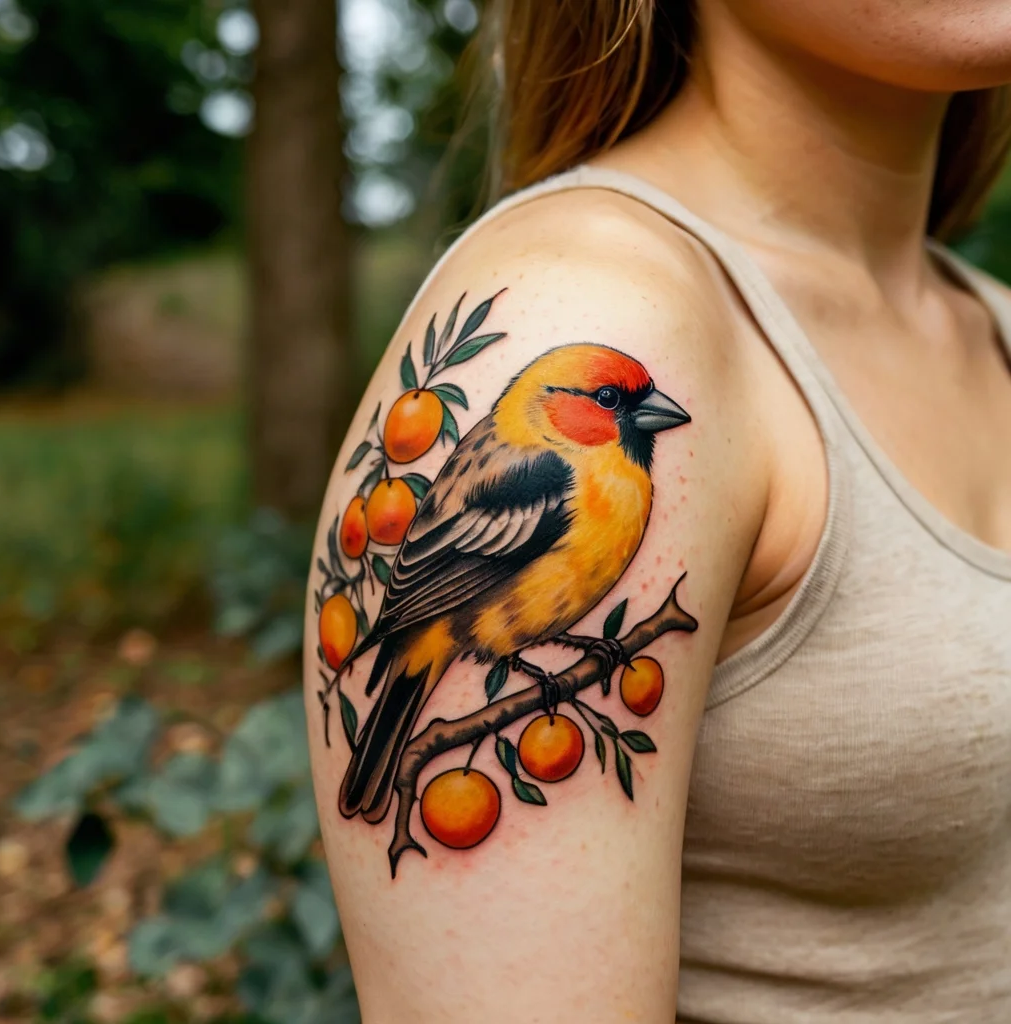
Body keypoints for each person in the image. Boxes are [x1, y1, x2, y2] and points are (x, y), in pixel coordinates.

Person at [304, 1, 1011, 1020]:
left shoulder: (985, 318)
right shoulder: (585, 302)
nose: (645, 413)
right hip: (458, 628)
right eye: (615, 403)